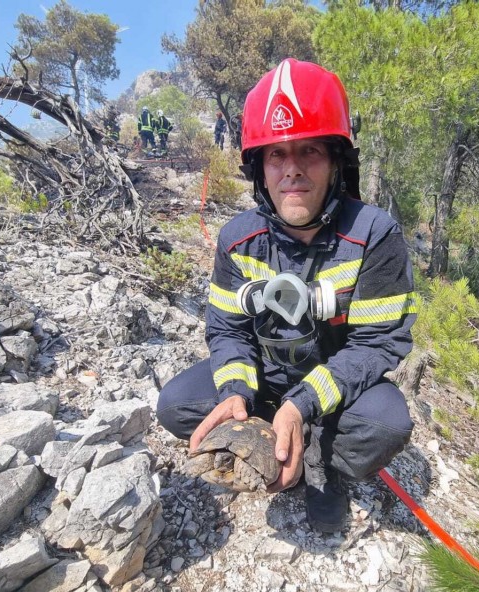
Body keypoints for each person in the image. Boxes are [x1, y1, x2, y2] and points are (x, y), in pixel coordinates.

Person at [157, 58, 417, 533]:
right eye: (276, 154)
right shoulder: (237, 240)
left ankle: (320, 464)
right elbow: (228, 329)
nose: (291, 170)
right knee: (176, 404)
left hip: (333, 388)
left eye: (310, 151)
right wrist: (236, 394)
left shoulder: (375, 236)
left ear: (338, 160)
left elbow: (376, 344)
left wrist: (303, 405)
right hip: (264, 377)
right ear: (258, 168)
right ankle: (267, 434)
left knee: (385, 424)